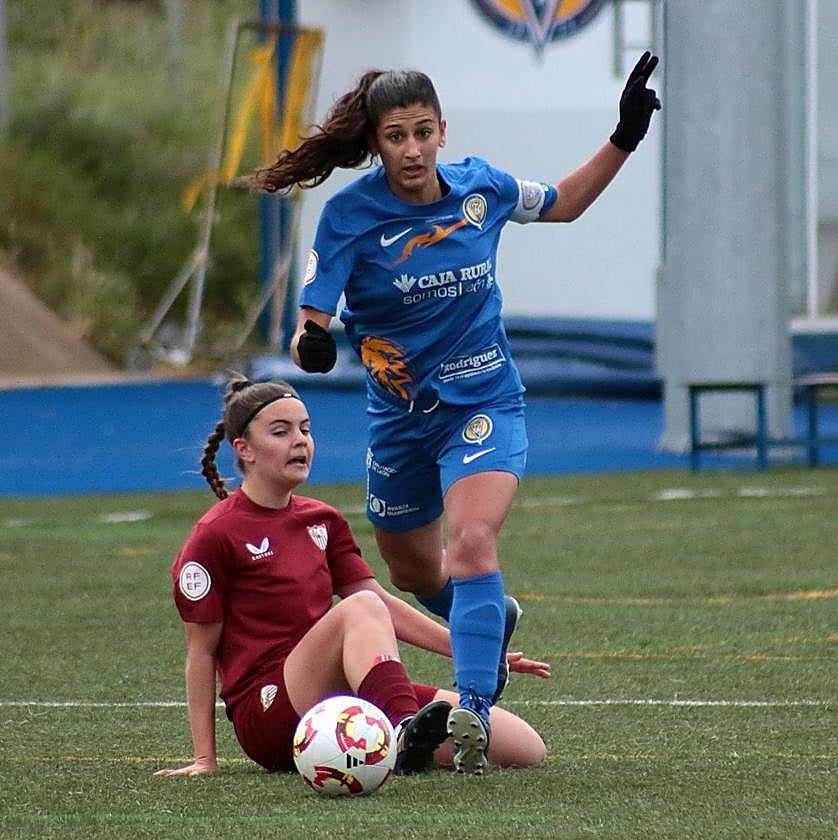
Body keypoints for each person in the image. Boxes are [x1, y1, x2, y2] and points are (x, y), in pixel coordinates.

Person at [251, 54, 661, 771]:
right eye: (395, 137)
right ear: (376, 144)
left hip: (484, 402)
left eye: (421, 133)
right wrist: (312, 344)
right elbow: (308, 321)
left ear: (442, 131)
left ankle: (470, 709)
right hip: (400, 419)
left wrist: (623, 135)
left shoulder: (481, 190)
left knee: (472, 543)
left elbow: (564, 201)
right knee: (412, 571)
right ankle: (486, 616)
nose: (411, 150)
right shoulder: (350, 216)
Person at [154, 376, 550, 779]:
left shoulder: (322, 519)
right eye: (281, 431)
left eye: (306, 429)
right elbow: (201, 653)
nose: (300, 441)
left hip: (342, 693)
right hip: (270, 712)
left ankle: (404, 733)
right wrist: (205, 759)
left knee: (522, 745)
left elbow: (379, 601)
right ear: (244, 449)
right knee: (360, 607)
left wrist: (469, 648)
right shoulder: (215, 534)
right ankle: (401, 729)